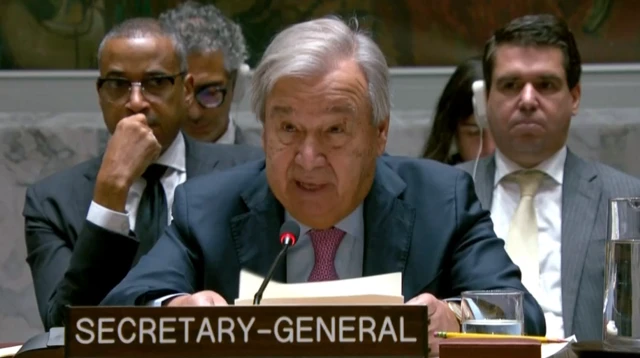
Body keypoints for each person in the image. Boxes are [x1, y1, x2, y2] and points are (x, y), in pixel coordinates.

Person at [101, 17, 546, 355]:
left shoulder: (440, 200)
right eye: (288, 128)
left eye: (335, 131)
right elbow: (118, 312)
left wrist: (455, 319)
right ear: (264, 129)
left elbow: (523, 316)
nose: (308, 158)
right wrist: (175, 311)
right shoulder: (208, 207)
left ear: (379, 134)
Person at [24, 17, 263, 330]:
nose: (136, 102)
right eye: (118, 84)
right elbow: (63, 327)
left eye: (156, 82)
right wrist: (110, 195)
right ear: (100, 94)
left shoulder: (248, 173)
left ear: (187, 91)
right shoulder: (51, 201)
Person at [458, 14, 640, 341]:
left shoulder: (626, 198)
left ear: (574, 97)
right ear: (485, 100)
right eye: (511, 85)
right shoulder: (446, 195)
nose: (528, 100)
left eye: (546, 84)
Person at [159, 1, 257, 145]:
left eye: (210, 93)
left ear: (234, 83)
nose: (194, 113)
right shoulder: (137, 161)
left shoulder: (266, 158)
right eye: (181, 94)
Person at [422, 57, 495, 164]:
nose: (490, 149)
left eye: (500, 133)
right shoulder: (433, 178)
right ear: (452, 133)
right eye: (475, 133)